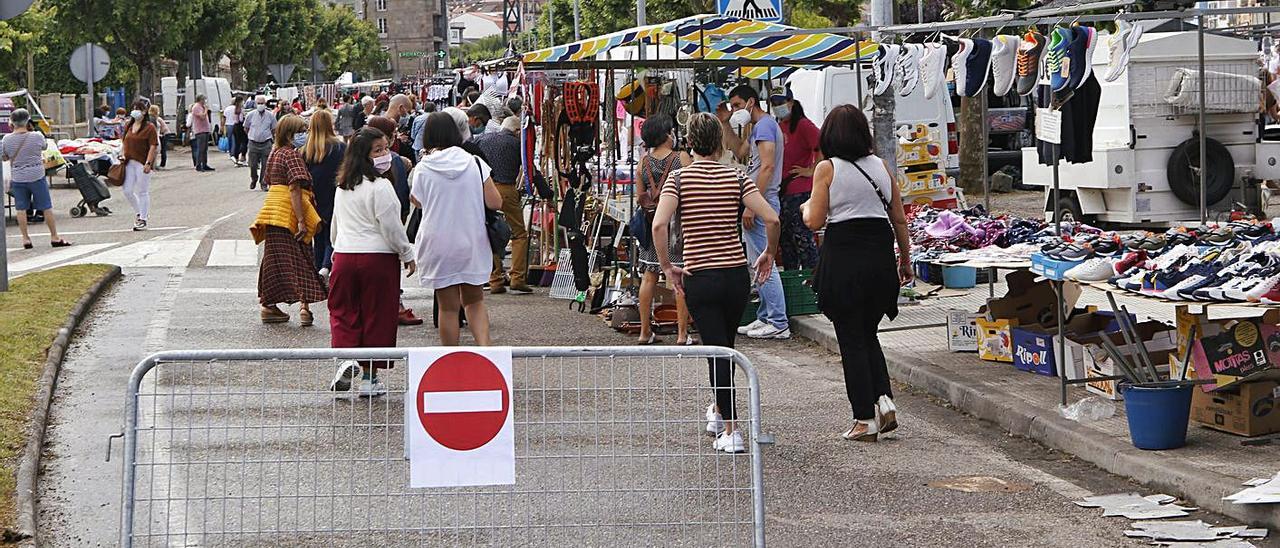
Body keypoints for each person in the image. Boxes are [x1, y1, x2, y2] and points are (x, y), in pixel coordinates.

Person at [651, 112, 779, 454]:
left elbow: (659, 225)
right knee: (726, 346)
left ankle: (732, 428)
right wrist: (768, 253)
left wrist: (667, 266)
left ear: (690, 142)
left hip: (700, 276)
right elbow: (771, 217)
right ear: (721, 143)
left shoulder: (678, 179)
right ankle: (720, 411)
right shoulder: (737, 177)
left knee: (716, 350)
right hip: (735, 274)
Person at [801, 105, 913, 442]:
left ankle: (864, 419)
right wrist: (905, 261)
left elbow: (815, 220)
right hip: (879, 259)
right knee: (867, 333)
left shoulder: (827, 168)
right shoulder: (880, 166)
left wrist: (807, 207)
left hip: (845, 260)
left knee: (850, 339)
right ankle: (884, 400)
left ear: (830, 136)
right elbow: (900, 219)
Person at [326, 126, 416, 397]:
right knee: (377, 316)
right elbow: (391, 225)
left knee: (343, 311)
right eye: (378, 150)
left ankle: (346, 358)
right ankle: (369, 377)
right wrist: (407, 254)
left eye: (386, 148)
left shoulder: (343, 187)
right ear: (364, 156)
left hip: (344, 255)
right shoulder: (381, 186)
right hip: (377, 258)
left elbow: (335, 225)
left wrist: (335, 249)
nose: (385, 154)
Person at [409, 112, 503, 345]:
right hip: (471, 239)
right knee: (474, 301)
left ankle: (451, 361)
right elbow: (495, 202)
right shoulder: (475, 163)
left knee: (448, 308)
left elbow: (416, 200)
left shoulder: (423, 168)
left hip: (437, 242)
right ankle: (486, 352)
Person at [721, 85, 789, 340]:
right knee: (757, 260)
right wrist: (725, 123)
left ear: (751, 102)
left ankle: (778, 321)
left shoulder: (765, 126)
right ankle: (765, 315)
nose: (735, 111)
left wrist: (752, 204)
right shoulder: (758, 128)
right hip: (761, 200)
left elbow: (768, 166)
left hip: (764, 201)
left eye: (737, 105)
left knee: (764, 261)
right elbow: (740, 152)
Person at [250, 115, 326, 326]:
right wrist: (301, 220)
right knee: (302, 257)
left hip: (274, 215)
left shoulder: (275, 154)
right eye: (302, 131)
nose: (306, 135)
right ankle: (304, 307)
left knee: (274, 261)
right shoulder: (292, 155)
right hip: (290, 215)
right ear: (291, 134)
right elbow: (294, 187)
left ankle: (268, 306)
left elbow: (269, 181)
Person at [633, 114, 692, 344]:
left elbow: (640, 196)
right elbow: (689, 191)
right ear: (667, 135)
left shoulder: (643, 162)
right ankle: (682, 334)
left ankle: (644, 331)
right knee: (679, 279)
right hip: (676, 226)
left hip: (652, 226)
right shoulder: (682, 158)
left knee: (649, 277)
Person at [365, 115, 423, 326]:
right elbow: (401, 198)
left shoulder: (348, 180)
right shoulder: (394, 164)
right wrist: (406, 252)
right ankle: (394, 304)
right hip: (385, 231)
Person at [473, 115, 531, 295]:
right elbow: (530, 170)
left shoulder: (482, 139)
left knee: (490, 231)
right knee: (519, 234)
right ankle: (517, 278)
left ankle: (495, 279)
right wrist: (545, 190)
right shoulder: (517, 144)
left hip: (485, 190)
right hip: (508, 190)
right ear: (516, 131)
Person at [1, 109, 70, 249]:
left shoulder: (6, 139)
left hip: (18, 177)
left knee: (21, 208)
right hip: (37, 175)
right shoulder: (37, 136)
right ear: (27, 121)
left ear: (11, 122)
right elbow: (44, 147)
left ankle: (26, 239)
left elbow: (4, 157)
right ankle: (54, 236)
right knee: (46, 207)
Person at [771, 89, 822, 271]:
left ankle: (814, 283)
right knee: (786, 243)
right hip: (783, 191)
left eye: (781, 103)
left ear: (791, 102)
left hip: (799, 191)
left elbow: (821, 146)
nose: (778, 107)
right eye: (774, 104)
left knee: (802, 239)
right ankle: (794, 284)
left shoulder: (803, 125)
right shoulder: (779, 125)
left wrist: (811, 170)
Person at [302, 108, 347, 276]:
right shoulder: (340, 147)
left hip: (314, 194)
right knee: (333, 230)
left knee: (318, 231)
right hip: (334, 191)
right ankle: (327, 264)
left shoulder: (306, 149)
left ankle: (318, 263)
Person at [121, 100, 159, 231]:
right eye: (134, 108)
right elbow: (124, 141)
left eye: (139, 109)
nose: (135, 111)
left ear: (144, 112)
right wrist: (122, 154)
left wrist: (149, 162)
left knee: (142, 191)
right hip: (128, 162)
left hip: (142, 163)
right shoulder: (128, 126)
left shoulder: (149, 127)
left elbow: (153, 146)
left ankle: (143, 218)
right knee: (127, 190)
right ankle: (139, 212)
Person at [243, 95, 277, 191]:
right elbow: (246, 127)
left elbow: (274, 128)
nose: (260, 105)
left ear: (265, 104)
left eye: (262, 103)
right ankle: (254, 178)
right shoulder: (250, 115)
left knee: (266, 165)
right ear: (255, 104)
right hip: (253, 142)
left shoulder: (270, 115)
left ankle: (263, 182)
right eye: (259, 103)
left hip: (266, 143)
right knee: (253, 164)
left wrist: (272, 139)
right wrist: (252, 135)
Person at [190, 95, 214, 171]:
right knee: (200, 149)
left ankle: (204, 164)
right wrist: (206, 110)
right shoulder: (196, 107)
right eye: (204, 99)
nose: (205, 101)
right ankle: (198, 165)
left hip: (205, 130)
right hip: (200, 131)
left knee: (204, 149)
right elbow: (202, 116)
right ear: (200, 100)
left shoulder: (201, 107)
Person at [150, 105, 173, 169]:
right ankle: (158, 164)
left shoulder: (157, 119)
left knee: (163, 149)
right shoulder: (155, 118)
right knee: (160, 149)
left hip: (165, 134)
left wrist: (161, 133)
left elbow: (163, 128)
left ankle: (162, 164)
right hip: (161, 134)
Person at [223, 96, 244, 166]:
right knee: (236, 141)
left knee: (230, 140)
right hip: (236, 125)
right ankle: (235, 153)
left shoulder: (227, 108)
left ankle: (231, 153)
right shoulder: (238, 109)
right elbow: (241, 119)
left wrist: (222, 126)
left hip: (229, 125)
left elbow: (224, 117)